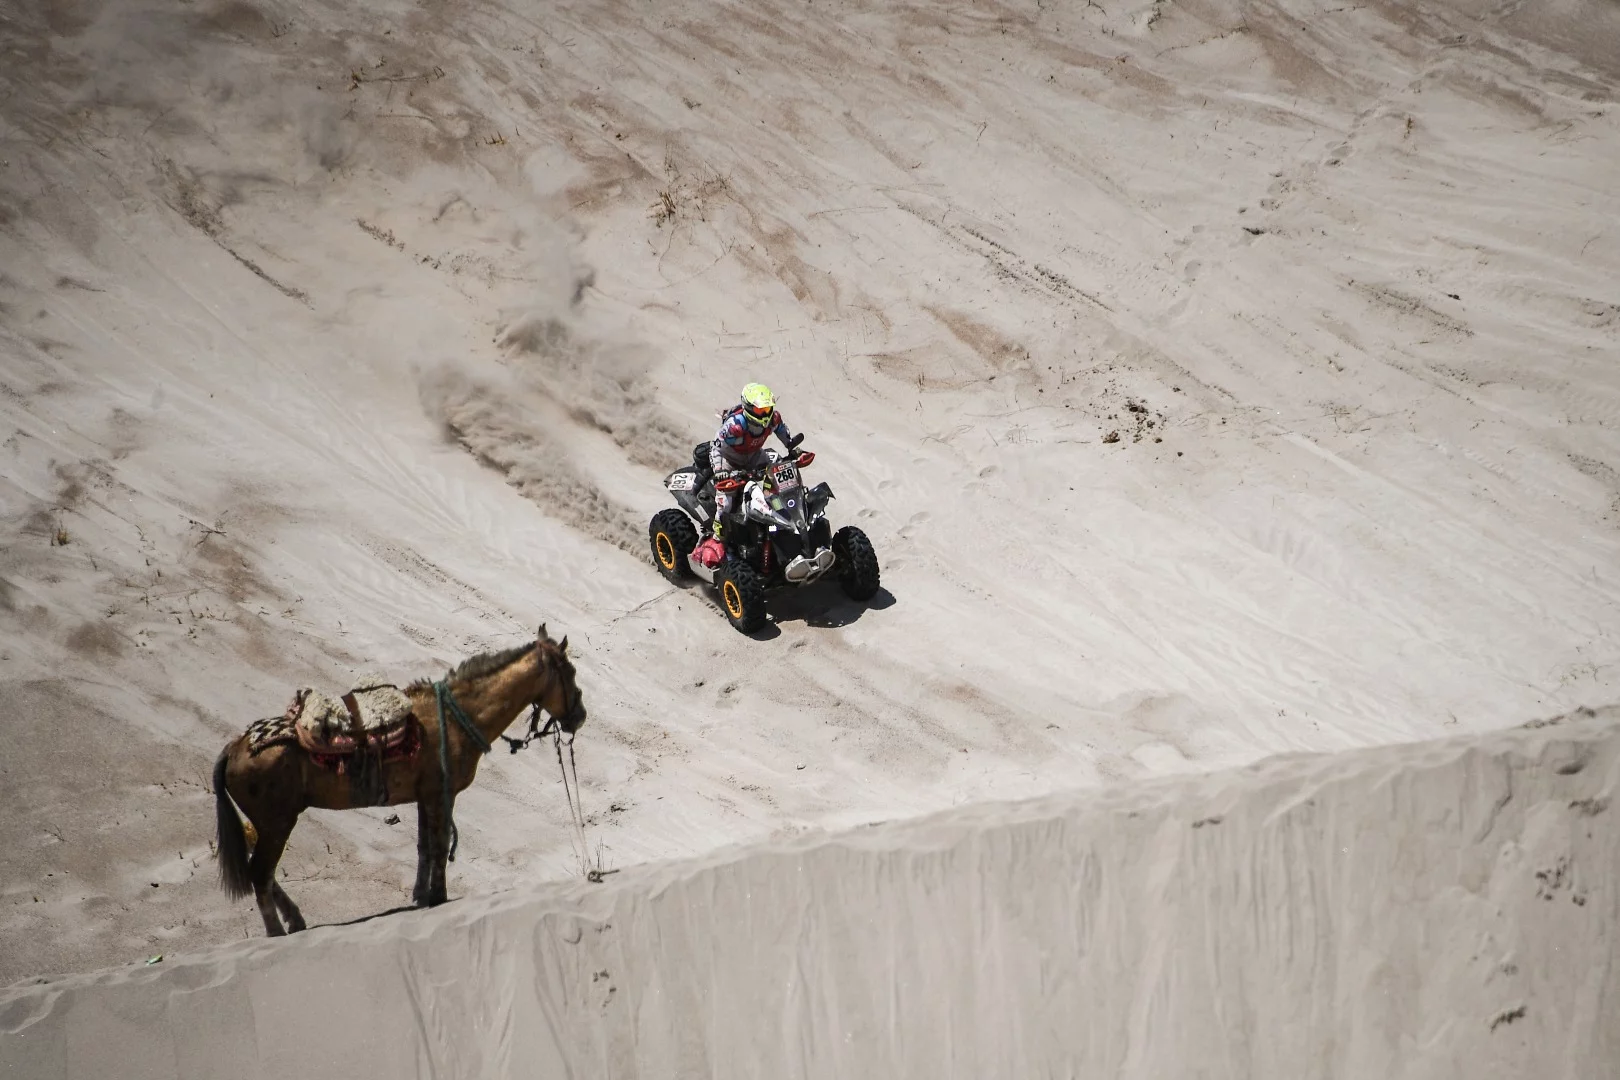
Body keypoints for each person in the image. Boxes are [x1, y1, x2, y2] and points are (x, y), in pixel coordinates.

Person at [694, 382, 803, 564]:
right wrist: (720, 471)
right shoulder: (735, 426)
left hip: (754, 456)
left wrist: (792, 446)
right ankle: (718, 536)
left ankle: (788, 513)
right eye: (761, 410)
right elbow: (716, 449)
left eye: (768, 408)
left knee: (780, 472)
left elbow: (783, 432)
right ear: (748, 408)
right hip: (730, 460)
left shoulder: (773, 419)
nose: (765, 413)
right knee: (726, 500)